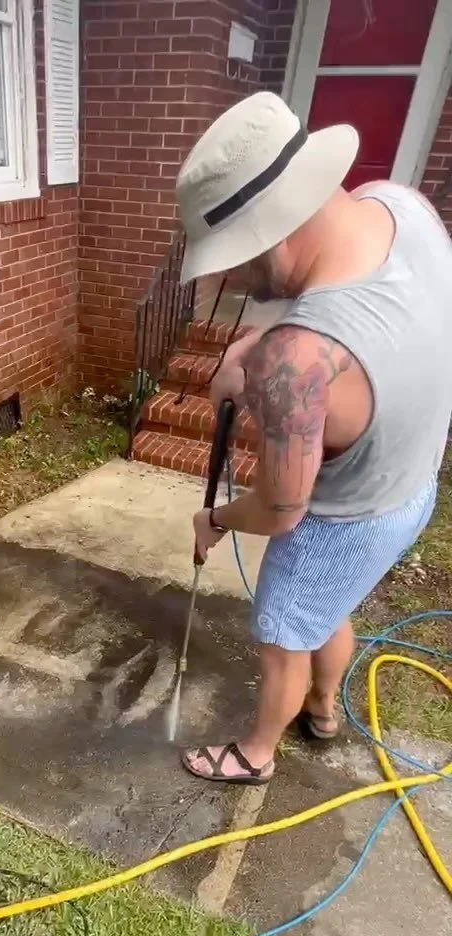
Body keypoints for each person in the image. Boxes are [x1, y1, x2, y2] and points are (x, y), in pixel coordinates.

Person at [175, 92, 452, 785]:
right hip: (410, 486)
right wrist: (255, 348)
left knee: (282, 634)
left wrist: (215, 518)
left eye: (235, 259)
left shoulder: (296, 361)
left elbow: (279, 510)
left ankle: (256, 753)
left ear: (271, 235)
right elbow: (357, 313)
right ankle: (323, 710)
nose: (232, 277)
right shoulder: (401, 208)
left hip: (341, 517)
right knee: (328, 609)